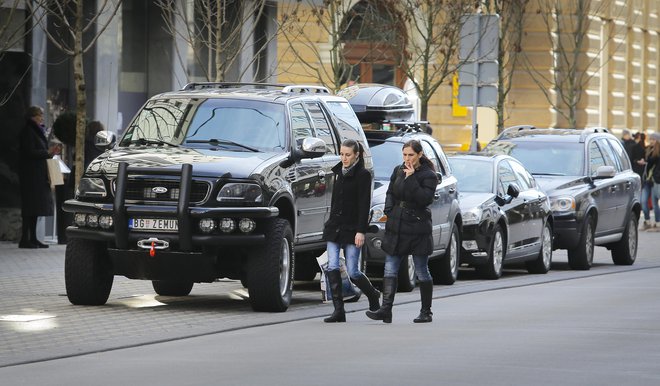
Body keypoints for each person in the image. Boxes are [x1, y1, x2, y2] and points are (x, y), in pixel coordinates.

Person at [366, 139, 439, 323]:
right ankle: (386, 309)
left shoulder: (428, 175)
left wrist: (412, 177)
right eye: (405, 154)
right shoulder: (398, 169)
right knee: (390, 267)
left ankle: (426, 311)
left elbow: (424, 199)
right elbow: (390, 192)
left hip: (417, 227)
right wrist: (389, 211)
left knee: (421, 269)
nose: (407, 158)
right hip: (396, 225)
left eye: (411, 155)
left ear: (420, 155)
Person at [322, 139, 380, 323]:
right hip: (335, 227)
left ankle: (372, 294)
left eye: (348, 155)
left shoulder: (363, 175)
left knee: (353, 271)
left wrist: (360, 231)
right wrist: (330, 222)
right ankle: (339, 310)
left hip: (352, 228)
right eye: (341, 154)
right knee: (331, 266)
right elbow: (334, 201)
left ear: (356, 155)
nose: (344, 158)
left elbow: (364, 205)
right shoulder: (337, 172)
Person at [18, 106, 60, 248]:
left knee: (35, 208)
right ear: (32, 117)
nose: (42, 117)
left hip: (37, 174)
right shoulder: (28, 131)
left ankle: (33, 238)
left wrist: (49, 153)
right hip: (30, 176)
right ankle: (25, 239)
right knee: (30, 208)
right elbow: (29, 152)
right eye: (39, 115)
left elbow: (38, 151)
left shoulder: (36, 130)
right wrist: (47, 152)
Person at [640, 132, 660, 230]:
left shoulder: (658, 151)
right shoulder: (648, 149)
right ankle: (647, 221)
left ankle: (657, 223)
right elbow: (648, 162)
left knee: (655, 202)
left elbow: (654, 162)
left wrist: (647, 161)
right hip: (647, 180)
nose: (651, 141)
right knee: (643, 201)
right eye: (650, 139)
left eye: (653, 139)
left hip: (655, 180)